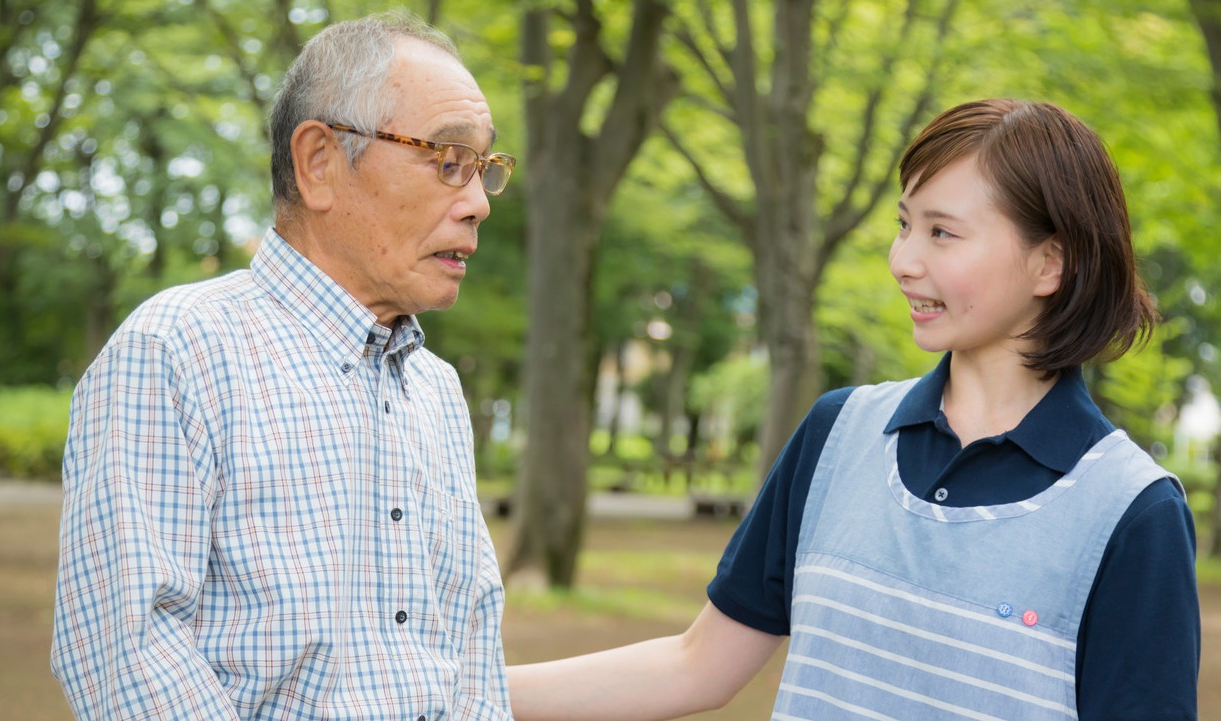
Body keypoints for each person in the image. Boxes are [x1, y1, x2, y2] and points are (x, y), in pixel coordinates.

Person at [508, 98, 1200, 720]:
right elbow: (698, 665)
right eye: (905, 224)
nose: (902, 259)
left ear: (1051, 263)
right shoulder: (838, 432)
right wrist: (460, 693)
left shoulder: (1132, 511)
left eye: (941, 232)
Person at [50, 12, 516, 721]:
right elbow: (126, 651)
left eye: (484, 169)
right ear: (319, 162)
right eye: (448, 159)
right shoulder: (178, 351)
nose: (478, 202)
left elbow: (474, 646)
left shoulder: (436, 389)